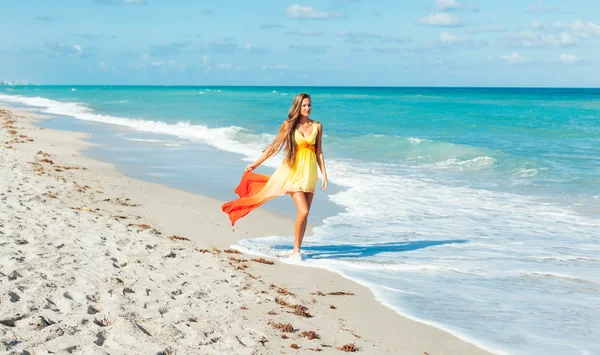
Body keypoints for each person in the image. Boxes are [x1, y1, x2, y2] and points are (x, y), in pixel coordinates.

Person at [222, 93, 328, 259]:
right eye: (304, 105)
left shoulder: (317, 126)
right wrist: (256, 163)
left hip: (310, 174)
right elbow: (274, 147)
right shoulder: (288, 125)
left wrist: (325, 175)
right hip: (293, 172)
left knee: (304, 214)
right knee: (304, 211)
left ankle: (297, 249)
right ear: (298, 107)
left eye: (309, 105)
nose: (307, 108)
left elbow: (319, 152)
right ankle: (296, 251)